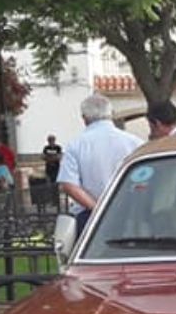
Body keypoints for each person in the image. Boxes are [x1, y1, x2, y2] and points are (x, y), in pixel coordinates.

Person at [58, 93, 144, 235]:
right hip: (130, 213)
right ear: (111, 114)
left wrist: (98, 208)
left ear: (84, 118)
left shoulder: (76, 145)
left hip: (90, 215)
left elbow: (69, 185)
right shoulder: (135, 143)